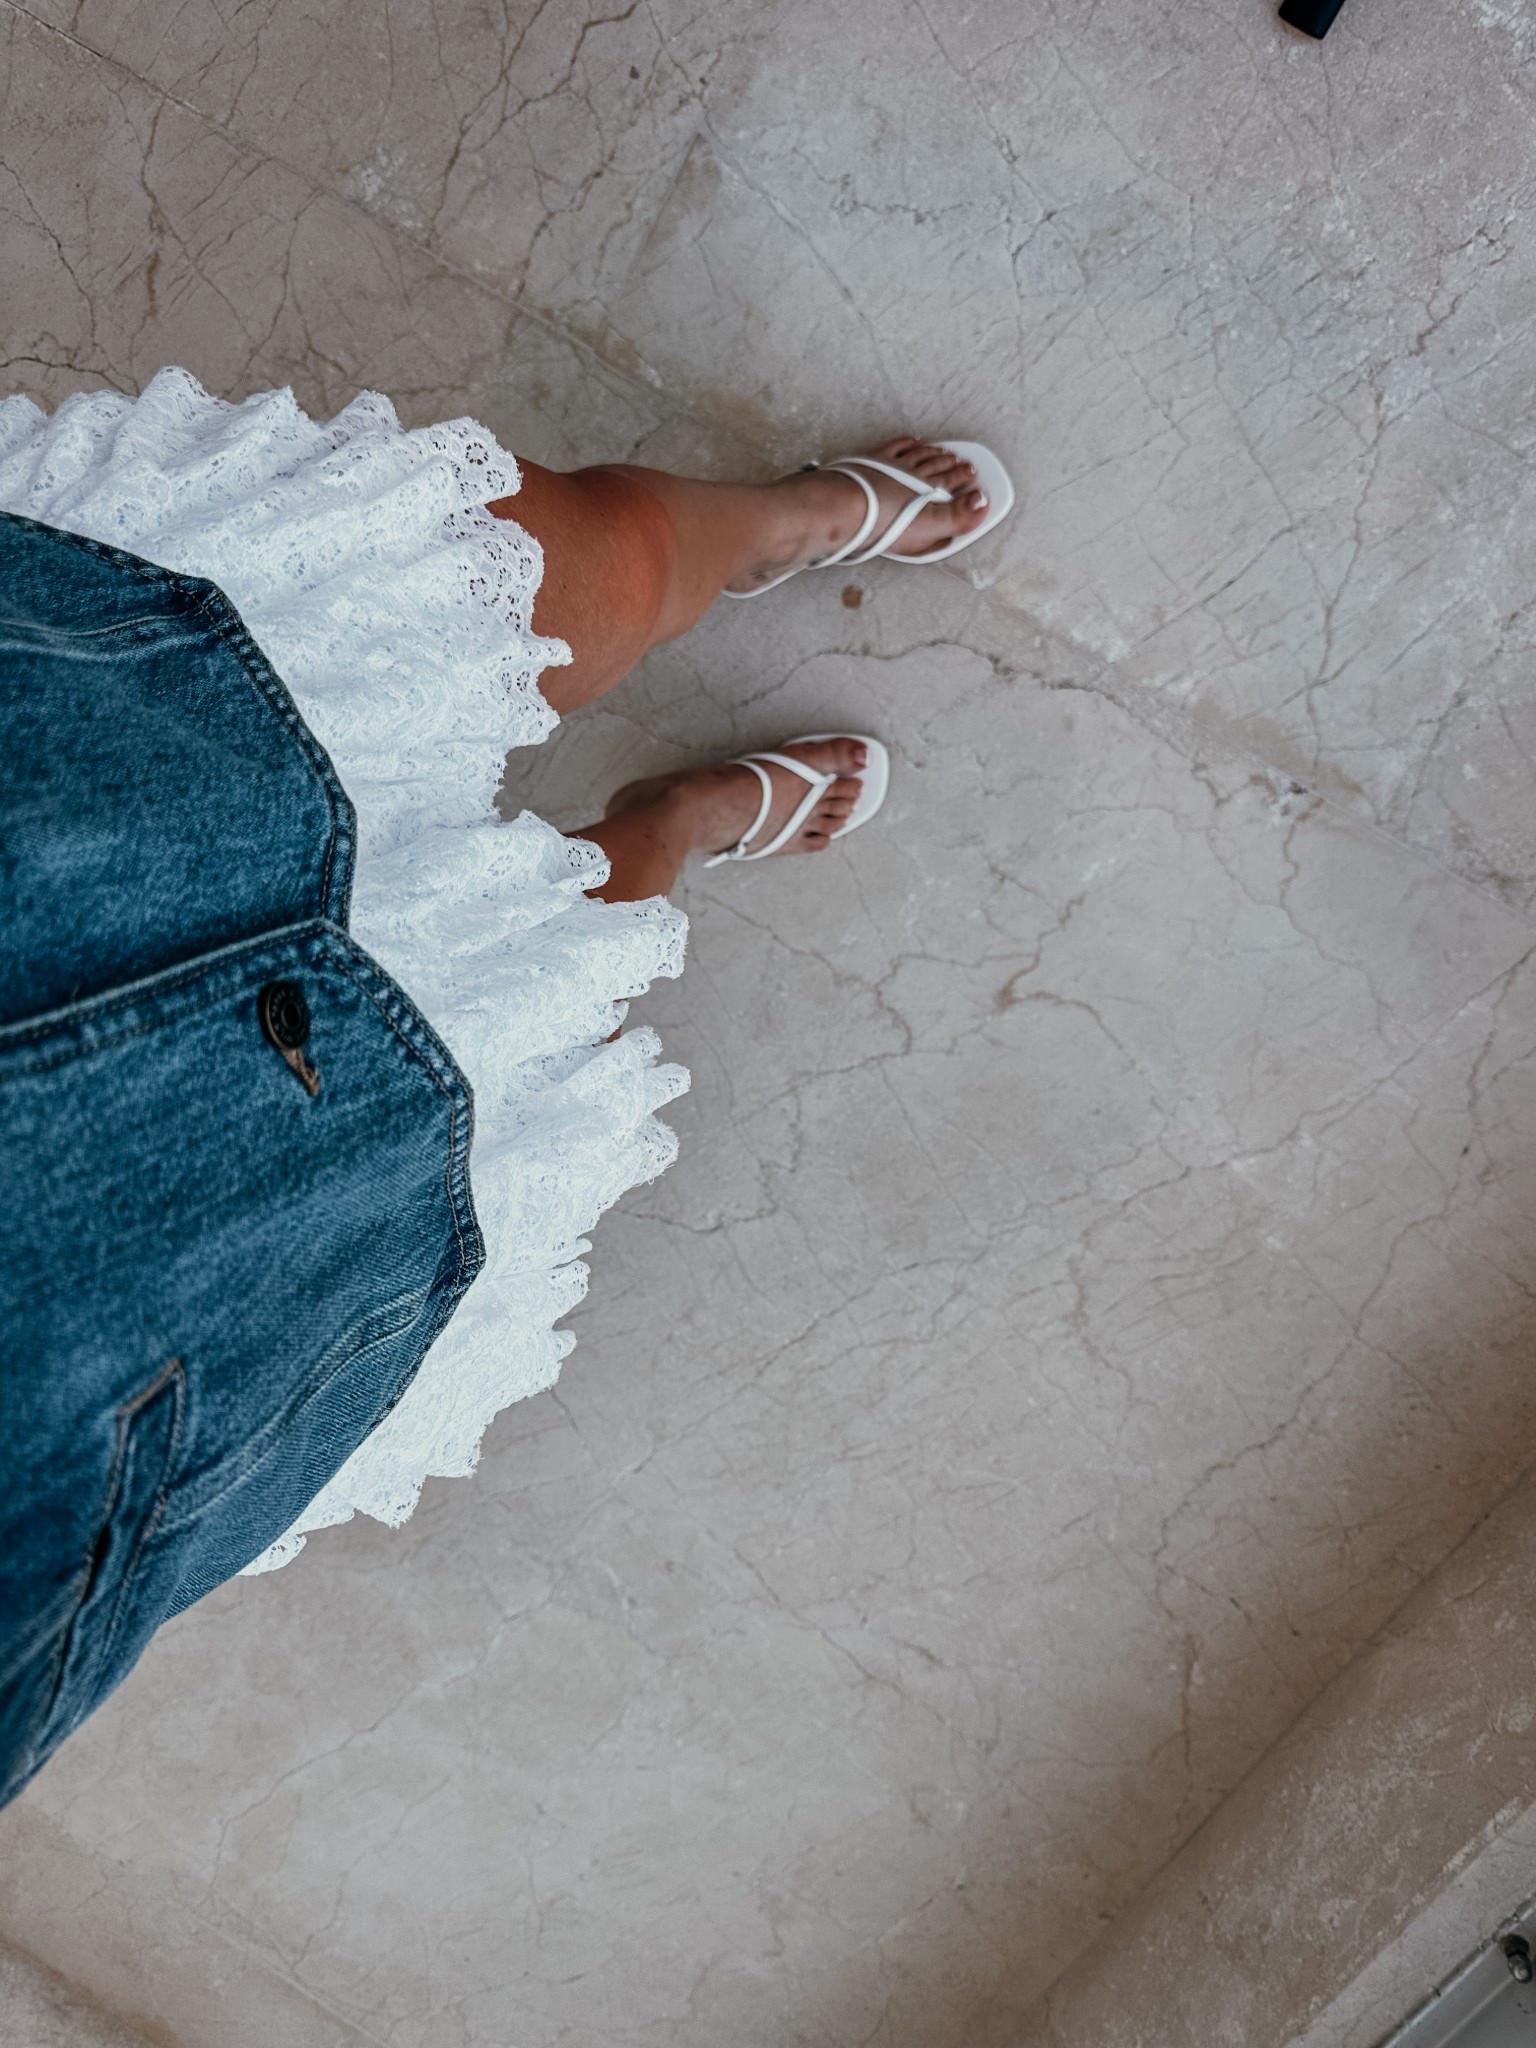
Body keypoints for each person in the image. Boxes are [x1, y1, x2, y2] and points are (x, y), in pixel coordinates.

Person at [0, 368, 1012, 1803]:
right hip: (181, 1287)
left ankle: (775, 526)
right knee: (526, 1006)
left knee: (546, 568)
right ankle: (661, 833)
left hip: (82, 746)